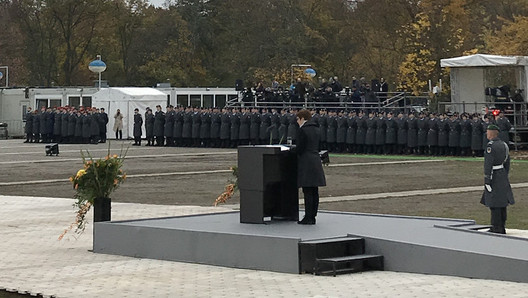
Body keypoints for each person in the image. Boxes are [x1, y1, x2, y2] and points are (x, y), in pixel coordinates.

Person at [480, 124, 514, 234]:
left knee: (494, 202)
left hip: (494, 175)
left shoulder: (490, 146)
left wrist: (487, 180)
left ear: (491, 133)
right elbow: (507, 163)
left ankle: (496, 227)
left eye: (488, 132)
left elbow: (488, 164)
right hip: (502, 174)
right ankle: (502, 225)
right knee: (502, 202)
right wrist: (504, 174)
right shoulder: (504, 145)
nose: (487, 134)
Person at [296, 109, 326, 225]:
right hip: (315, 160)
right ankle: (313, 215)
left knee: (307, 190)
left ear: (303, 119)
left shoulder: (303, 130)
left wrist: (291, 151)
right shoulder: (316, 129)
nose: (297, 122)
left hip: (306, 161)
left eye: (298, 119)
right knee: (314, 190)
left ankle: (308, 217)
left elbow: (300, 148)